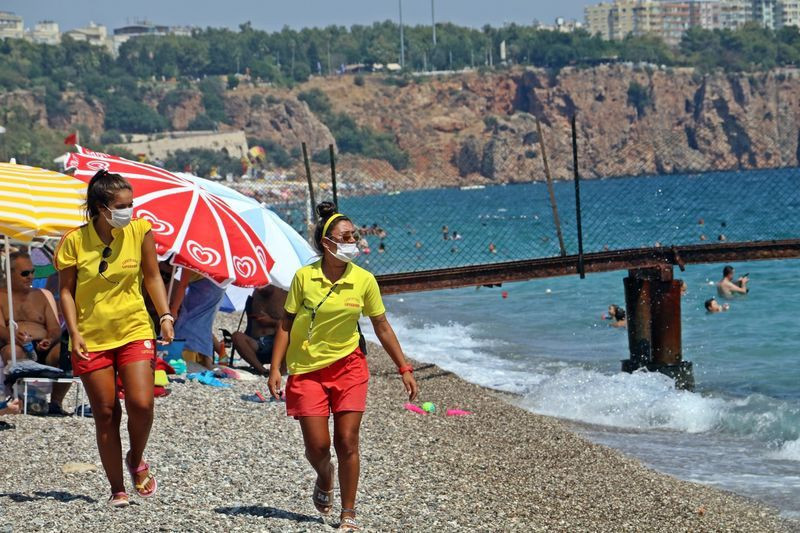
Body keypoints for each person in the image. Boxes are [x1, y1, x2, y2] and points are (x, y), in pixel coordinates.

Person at [268, 202, 419, 531]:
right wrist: (275, 368)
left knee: (347, 441)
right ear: (327, 243)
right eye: (346, 237)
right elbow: (285, 322)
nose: (354, 242)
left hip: (349, 367)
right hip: (306, 370)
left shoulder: (364, 280)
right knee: (317, 446)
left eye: (355, 235)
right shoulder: (304, 278)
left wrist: (403, 367)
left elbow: (381, 326)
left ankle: (348, 512)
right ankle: (325, 476)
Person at [55, 169, 174, 507]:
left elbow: (152, 277)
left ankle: (136, 459)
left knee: (141, 402)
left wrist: (164, 314)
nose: (129, 211)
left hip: (134, 329)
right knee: (106, 413)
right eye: (122, 205)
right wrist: (74, 331)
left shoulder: (140, 231)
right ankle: (117, 488)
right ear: (101, 207)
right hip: (90, 337)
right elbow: (65, 291)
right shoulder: (74, 241)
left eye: (131, 204)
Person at [0, 251, 70, 415]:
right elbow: (0, 328)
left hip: (43, 346)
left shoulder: (40, 295)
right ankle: (25, 399)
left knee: (65, 351)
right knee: (12, 351)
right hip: (16, 345)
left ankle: (56, 403)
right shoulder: (2, 296)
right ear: (10, 273)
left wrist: (49, 338)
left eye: (33, 272)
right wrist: (13, 336)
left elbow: (54, 327)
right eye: (25, 273)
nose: (30, 276)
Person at [171, 269, 226, 369]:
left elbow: (183, 286)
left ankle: (187, 358)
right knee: (203, 323)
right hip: (220, 282)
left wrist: (173, 310)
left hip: (203, 286)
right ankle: (208, 360)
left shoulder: (190, 257)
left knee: (188, 322)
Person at [232, 285, 287, 376]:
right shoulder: (255, 294)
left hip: (276, 342)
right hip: (256, 342)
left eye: (263, 286)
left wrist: (270, 321)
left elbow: (288, 324)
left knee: (286, 331)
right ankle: (262, 370)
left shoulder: (284, 295)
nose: (259, 289)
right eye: (258, 286)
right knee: (236, 336)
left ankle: (282, 370)